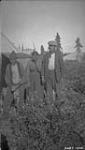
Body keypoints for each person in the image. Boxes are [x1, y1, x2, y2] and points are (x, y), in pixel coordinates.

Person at [4, 51, 27, 116]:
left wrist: (18, 85)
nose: (12, 60)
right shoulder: (8, 66)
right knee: (7, 100)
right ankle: (5, 114)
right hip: (12, 85)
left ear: (16, 59)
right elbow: (6, 78)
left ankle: (21, 114)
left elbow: (24, 77)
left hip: (20, 85)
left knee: (20, 101)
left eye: (13, 59)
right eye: (11, 59)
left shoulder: (20, 65)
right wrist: (11, 86)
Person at [41, 40, 64, 104]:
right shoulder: (46, 55)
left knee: (58, 91)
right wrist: (42, 76)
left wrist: (61, 77)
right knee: (49, 91)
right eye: (49, 46)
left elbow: (62, 67)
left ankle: (58, 105)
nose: (49, 47)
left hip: (56, 75)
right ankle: (50, 107)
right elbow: (42, 66)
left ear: (55, 47)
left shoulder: (59, 55)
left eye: (51, 46)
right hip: (47, 75)